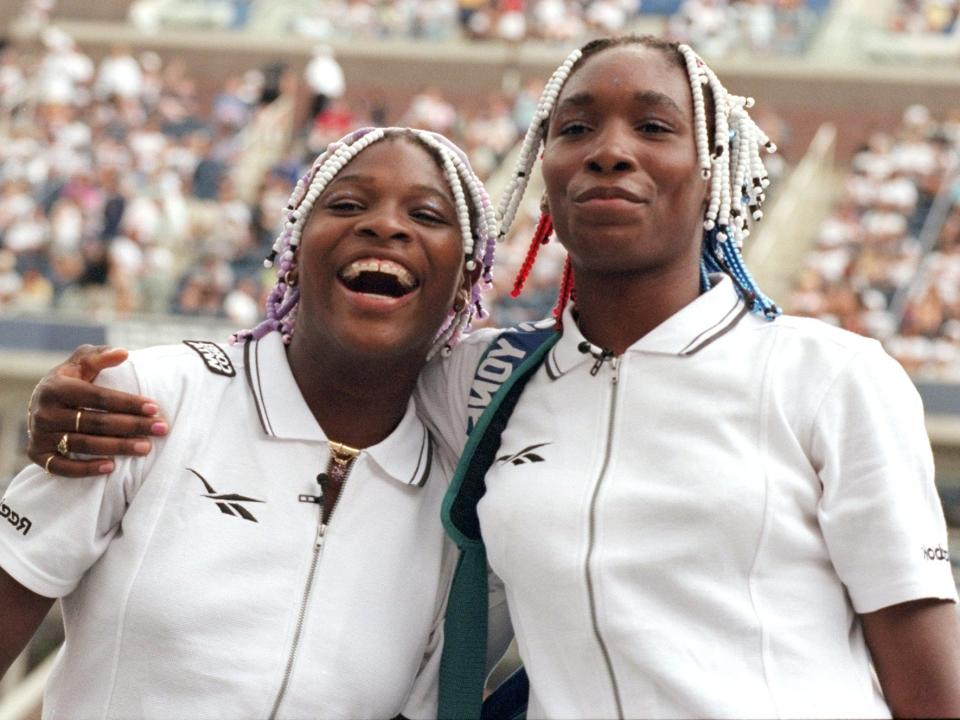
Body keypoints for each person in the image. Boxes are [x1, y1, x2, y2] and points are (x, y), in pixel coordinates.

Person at [22, 36, 960, 718]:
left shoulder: (832, 375)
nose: (610, 149)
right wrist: (87, 398)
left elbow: (928, 680)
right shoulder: (486, 386)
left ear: (711, 168)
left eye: (655, 126)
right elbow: (336, 360)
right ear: (543, 180)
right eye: (576, 126)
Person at [0, 126, 505, 718]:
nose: (386, 226)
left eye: (426, 215)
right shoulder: (146, 400)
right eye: (346, 204)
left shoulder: (464, 505)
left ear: (466, 280)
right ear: (291, 253)